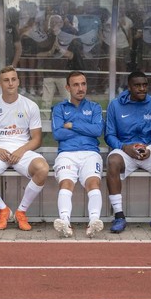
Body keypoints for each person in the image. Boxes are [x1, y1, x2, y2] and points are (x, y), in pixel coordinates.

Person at [0, 66, 49, 231]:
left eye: (13, 79)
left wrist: (21, 150)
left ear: (18, 82)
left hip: (22, 151)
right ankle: (3, 209)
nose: (10, 83)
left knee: (42, 169)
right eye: (6, 80)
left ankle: (21, 212)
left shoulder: (30, 105)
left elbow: (37, 139)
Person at [104, 71, 151, 234]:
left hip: (148, 150)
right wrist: (125, 148)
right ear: (129, 87)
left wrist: (150, 149)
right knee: (113, 161)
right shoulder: (115, 105)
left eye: (145, 85)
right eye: (137, 85)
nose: (142, 89)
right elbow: (109, 135)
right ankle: (119, 216)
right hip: (125, 150)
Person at [51, 71, 104, 238]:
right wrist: (85, 130)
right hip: (67, 153)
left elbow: (97, 130)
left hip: (90, 153)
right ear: (68, 87)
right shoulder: (59, 108)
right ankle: (65, 222)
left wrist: (72, 125)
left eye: (83, 84)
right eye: (76, 85)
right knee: (66, 183)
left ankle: (94, 222)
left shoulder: (94, 107)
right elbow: (58, 134)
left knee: (93, 182)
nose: (81, 88)